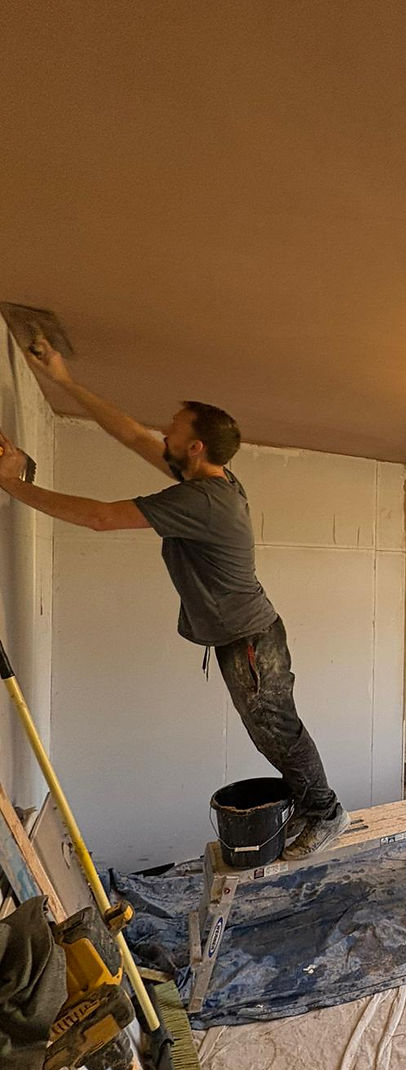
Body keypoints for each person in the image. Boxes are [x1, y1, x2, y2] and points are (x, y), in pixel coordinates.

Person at [0, 336, 348, 859]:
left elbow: (99, 518)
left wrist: (12, 485)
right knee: (270, 732)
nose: (165, 432)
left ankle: (325, 812)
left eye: (176, 428)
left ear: (196, 447)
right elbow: (133, 435)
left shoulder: (201, 501)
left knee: (278, 732)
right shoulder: (212, 482)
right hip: (246, 635)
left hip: (250, 642)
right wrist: (63, 380)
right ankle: (311, 800)